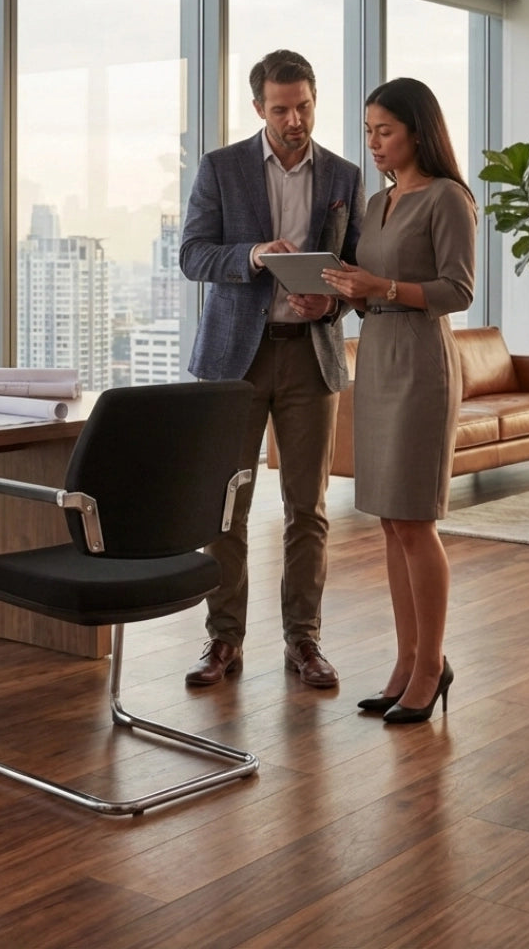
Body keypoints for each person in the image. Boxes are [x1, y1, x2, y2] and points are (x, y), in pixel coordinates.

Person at [179, 49, 364, 688]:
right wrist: (253, 255)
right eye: (281, 109)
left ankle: (304, 641)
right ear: (259, 107)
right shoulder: (221, 168)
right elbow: (192, 255)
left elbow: (357, 269)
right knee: (226, 505)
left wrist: (332, 301)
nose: (295, 120)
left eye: (304, 106)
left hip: (311, 356)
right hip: (235, 359)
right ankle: (223, 641)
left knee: (307, 507)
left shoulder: (344, 175)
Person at [321, 77, 476, 723]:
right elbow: (373, 287)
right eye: (368, 131)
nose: (374, 142)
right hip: (377, 356)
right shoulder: (377, 202)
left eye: (384, 130)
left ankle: (431, 665)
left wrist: (380, 285)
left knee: (415, 520)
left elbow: (457, 291)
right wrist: (343, 291)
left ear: (418, 130)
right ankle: (407, 658)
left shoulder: (448, 198)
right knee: (389, 519)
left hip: (421, 362)